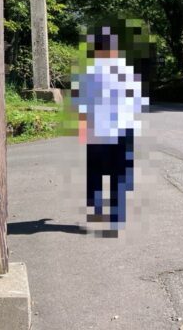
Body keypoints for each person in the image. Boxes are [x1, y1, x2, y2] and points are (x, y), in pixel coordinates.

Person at [69, 20, 153, 235]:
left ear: (95, 50)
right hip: (124, 128)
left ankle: (96, 209)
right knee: (119, 173)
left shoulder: (86, 74)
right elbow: (139, 104)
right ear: (114, 49)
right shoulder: (127, 71)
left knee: (95, 170)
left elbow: (79, 104)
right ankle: (117, 218)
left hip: (96, 128)